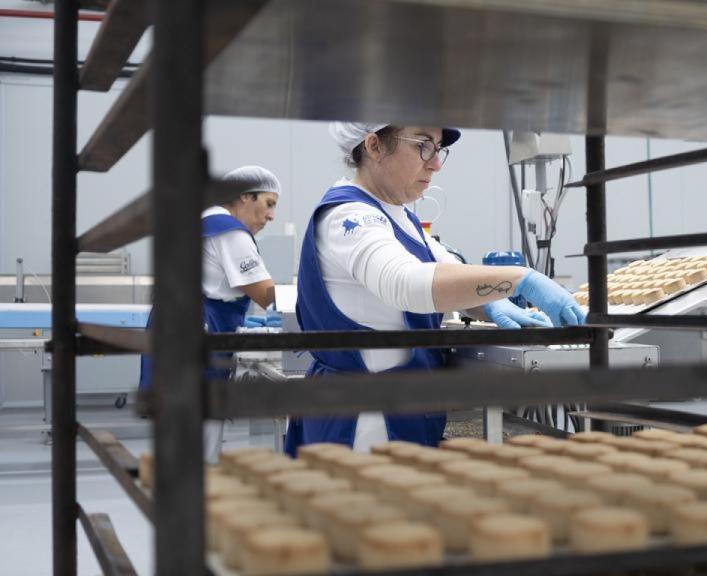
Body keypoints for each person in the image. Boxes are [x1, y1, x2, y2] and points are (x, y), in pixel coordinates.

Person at [284, 123, 585, 454]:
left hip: (401, 409)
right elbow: (405, 283)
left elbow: (448, 272)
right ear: (374, 146)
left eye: (438, 148)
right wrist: (520, 279)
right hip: (360, 425)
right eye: (422, 146)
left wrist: (491, 304)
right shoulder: (349, 216)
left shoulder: (400, 216)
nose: (435, 163)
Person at [139, 165, 280, 462]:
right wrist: (306, 304)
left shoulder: (201, 220)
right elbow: (267, 296)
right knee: (199, 448)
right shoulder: (229, 231)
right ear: (244, 196)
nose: (271, 216)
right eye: (269, 204)